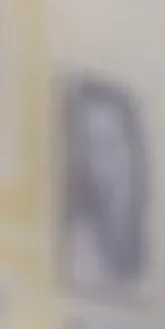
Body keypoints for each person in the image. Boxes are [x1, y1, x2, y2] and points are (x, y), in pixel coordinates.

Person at [59, 78, 149, 297]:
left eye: (110, 144)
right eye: (90, 147)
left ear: (134, 149)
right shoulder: (78, 246)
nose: (100, 164)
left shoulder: (153, 234)